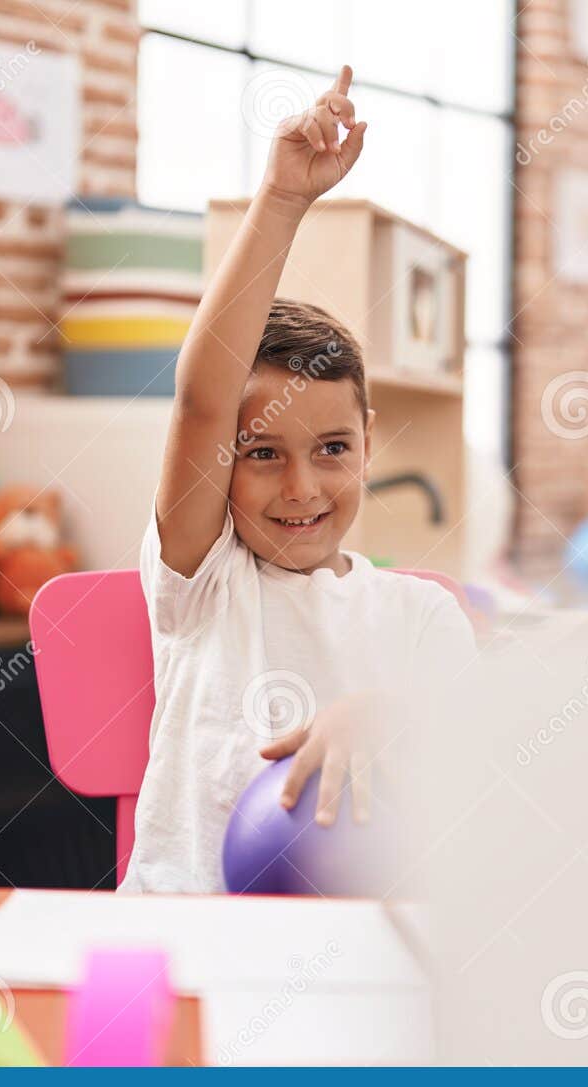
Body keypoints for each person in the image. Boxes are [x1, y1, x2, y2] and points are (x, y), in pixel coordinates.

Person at [122, 66, 477, 894]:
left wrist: (383, 712)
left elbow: (475, 741)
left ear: (367, 443)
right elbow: (205, 400)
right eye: (261, 453)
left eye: (331, 449)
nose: (302, 488)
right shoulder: (200, 580)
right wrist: (282, 201)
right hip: (189, 933)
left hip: (361, 944)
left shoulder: (421, 614)